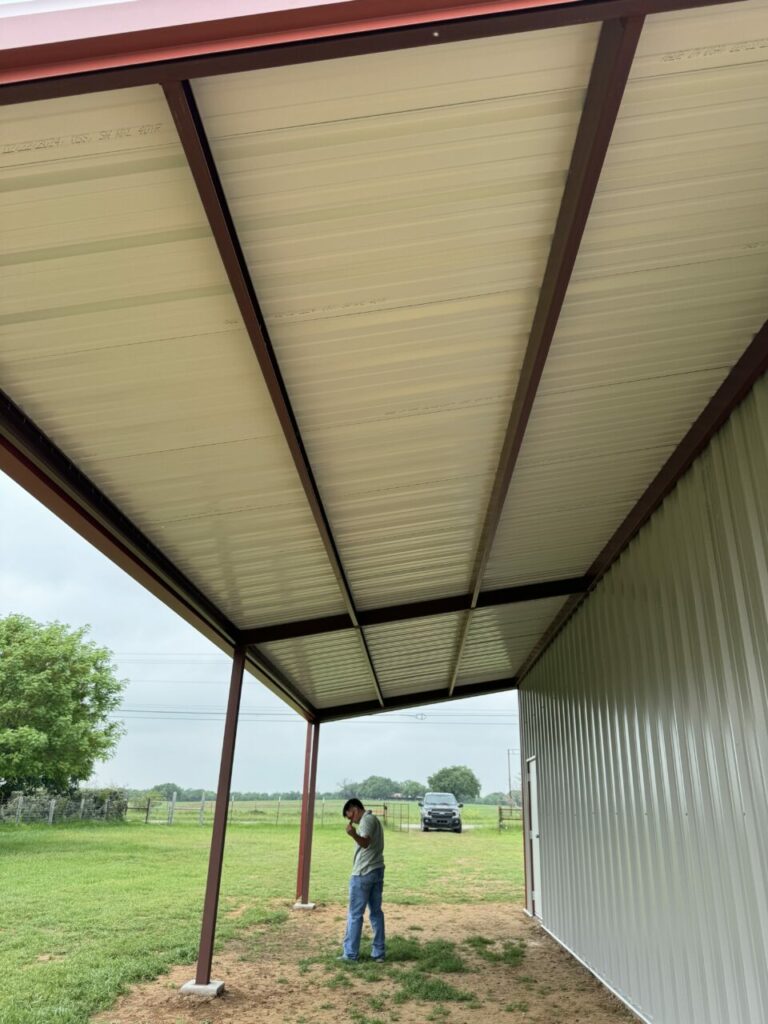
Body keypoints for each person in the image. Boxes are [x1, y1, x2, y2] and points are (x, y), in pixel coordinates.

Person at [339, 797, 385, 962]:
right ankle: (378, 953)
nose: (350, 819)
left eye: (349, 815)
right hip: (377, 870)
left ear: (355, 809)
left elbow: (365, 842)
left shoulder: (366, 820)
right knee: (376, 913)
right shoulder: (373, 820)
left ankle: (350, 954)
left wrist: (353, 835)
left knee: (355, 914)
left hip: (363, 873)